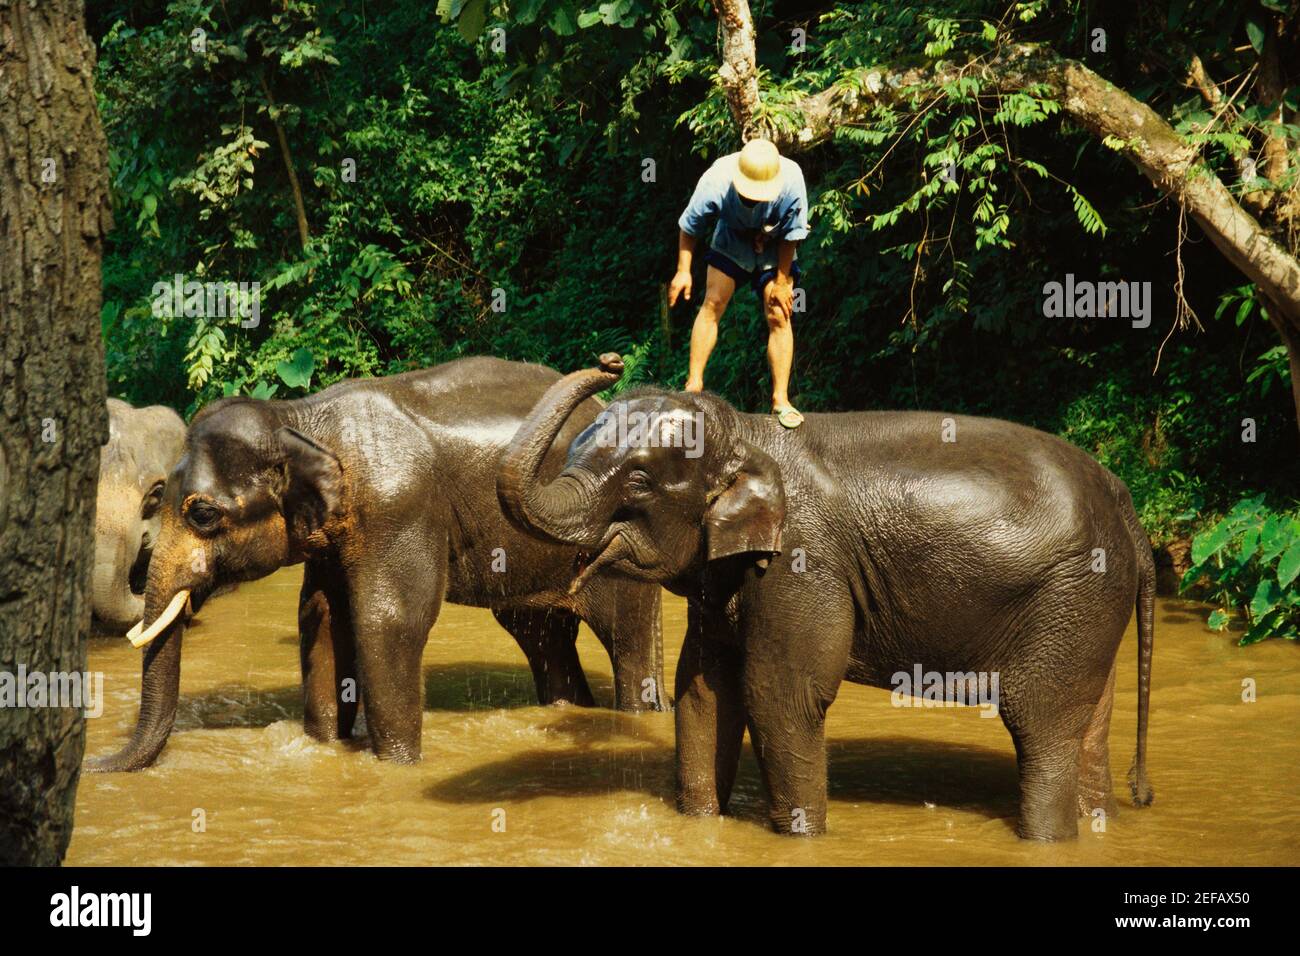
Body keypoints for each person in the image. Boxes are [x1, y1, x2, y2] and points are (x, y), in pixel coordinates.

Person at [668, 137, 809, 428]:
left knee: (779, 313)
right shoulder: (717, 179)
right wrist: (683, 270)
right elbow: (689, 226)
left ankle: (780, 399)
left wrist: (783, 282)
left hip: (775, 244)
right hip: (731, 239)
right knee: (713, 302)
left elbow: (793, 234)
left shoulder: (792, 179)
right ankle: (693, 385)